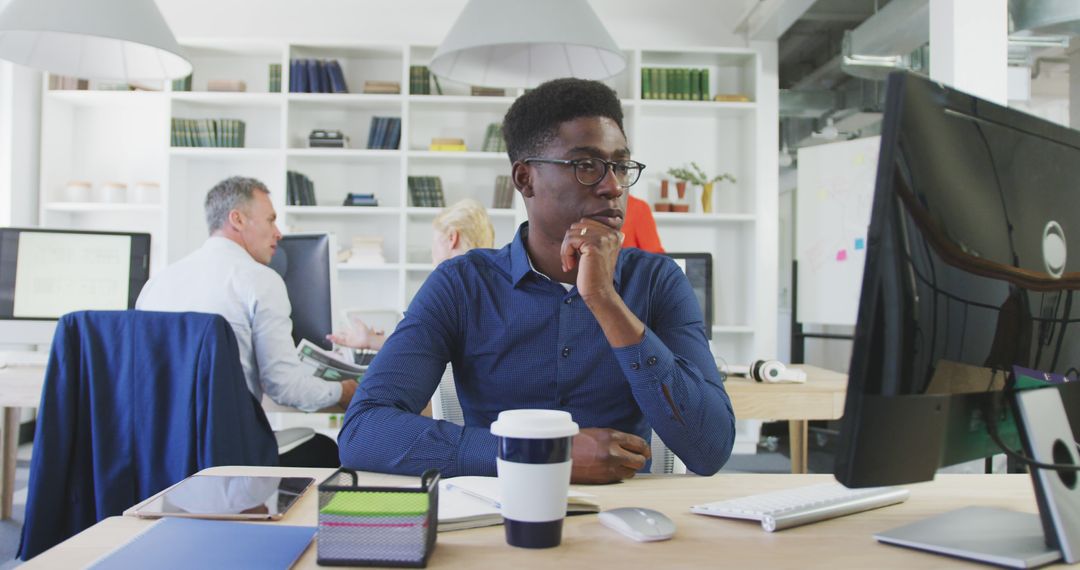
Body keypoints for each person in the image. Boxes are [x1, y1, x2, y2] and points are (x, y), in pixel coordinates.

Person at [338, 78, 735, 483]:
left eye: (619, 166)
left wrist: (603, 299)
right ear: (525, 178)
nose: (613, 186)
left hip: (625, 519)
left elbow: (710, 449)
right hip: (496, 515)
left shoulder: (657, 282)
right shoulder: (461, 285)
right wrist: (543, 454)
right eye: (586, 165)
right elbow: (364, 432)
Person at [136, 176, 355, 467]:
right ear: (237, 219)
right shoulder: (259, 280)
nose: (278, 233)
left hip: (158, 450)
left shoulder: (157, 283)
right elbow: (285, 388)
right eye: (270, 220)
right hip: (225, 452)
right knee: (327, 450)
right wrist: (344, 391)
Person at [326, 198, 495, 350]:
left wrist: (371, 341)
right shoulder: (496, 288)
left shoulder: (447, 287)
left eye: (434, 242)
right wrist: (372, 341)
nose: (432, 252)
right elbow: (427, 343)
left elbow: (420, 347)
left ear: (452, 238)